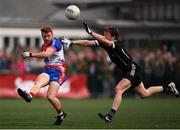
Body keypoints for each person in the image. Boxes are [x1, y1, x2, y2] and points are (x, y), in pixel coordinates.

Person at [61, 23, 179, 123]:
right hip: (129, 71)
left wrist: (91, 32)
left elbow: (103, 41)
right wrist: (72, 42)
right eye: (104, 34)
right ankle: (169, 87)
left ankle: (110, 115)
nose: (104, 36)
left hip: (132, 69)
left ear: (114, 37)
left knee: (118, 89)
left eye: (107, 34)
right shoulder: (106, 43)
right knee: (144, 93)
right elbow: (88, 43)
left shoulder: (116, 44)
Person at [17, 25, 67, 125]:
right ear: (42, 36)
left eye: (48, 35)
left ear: (52, 34)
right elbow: (44, 57)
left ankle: (61, 114)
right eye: (44, 36)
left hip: (59, 71)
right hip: (48, 70)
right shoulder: (44, 45)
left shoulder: (56, 42)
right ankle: (30, 96)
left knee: (50, 96)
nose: (47, 38)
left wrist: (30, 55)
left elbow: (47, 54)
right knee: (38, 83)